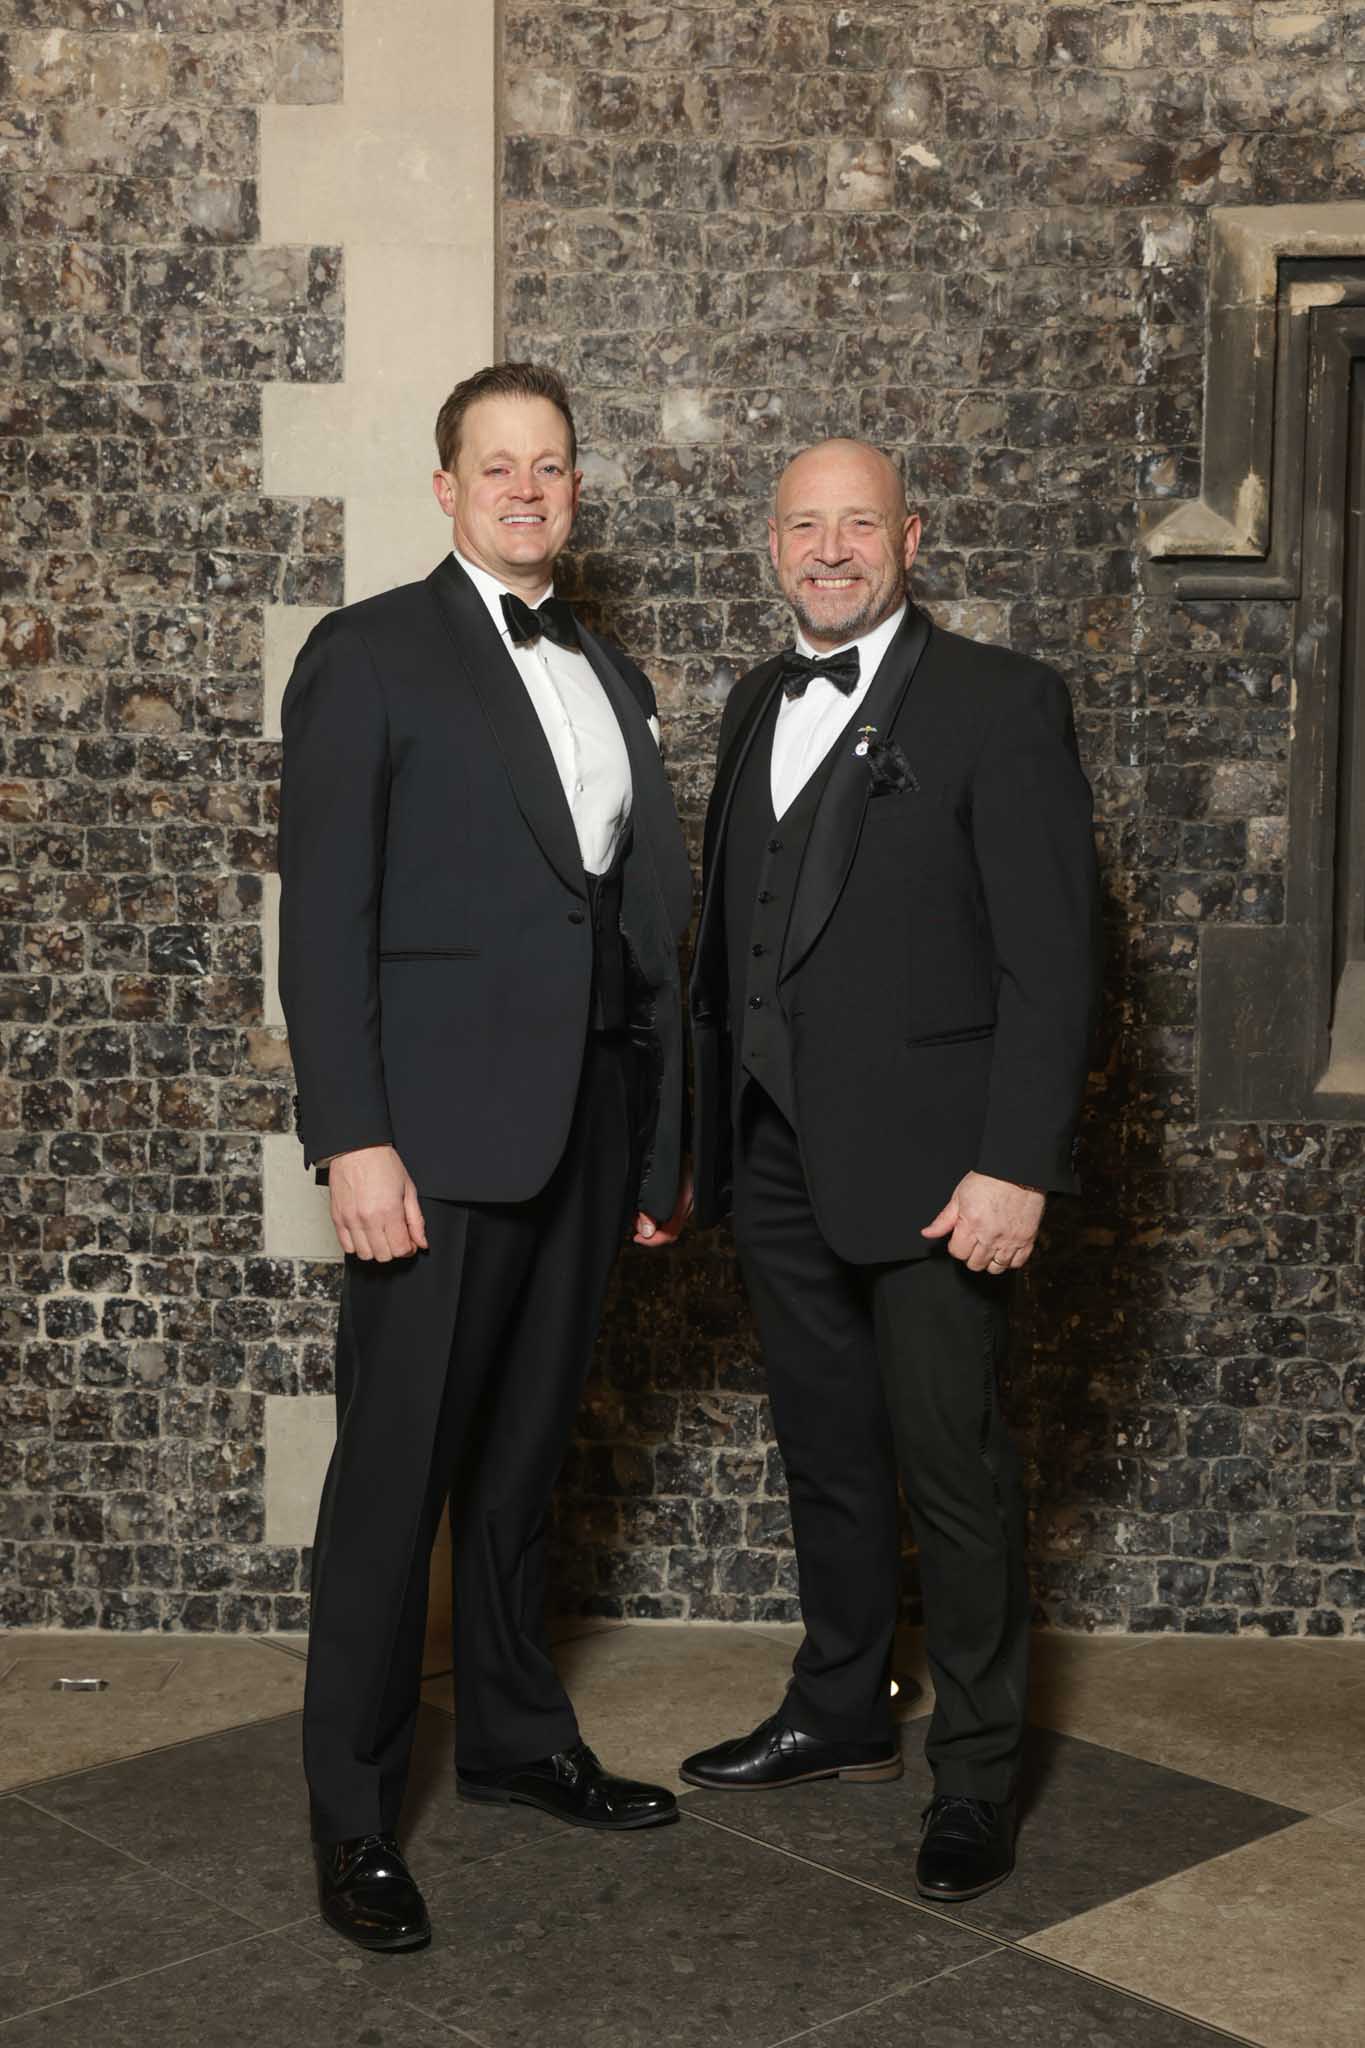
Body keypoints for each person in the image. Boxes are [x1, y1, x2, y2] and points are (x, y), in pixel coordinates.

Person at [278, 362, 694, 1952]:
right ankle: (352, 1819)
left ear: (575, 489)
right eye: (497, 465)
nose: (528, 489)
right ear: (446, 489)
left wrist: (656, 1142)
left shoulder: (608, 670)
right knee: (395, 1481)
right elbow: (324, 924)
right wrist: (353, 1139)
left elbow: (639, 928)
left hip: (586, 1129)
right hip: (432, 1142)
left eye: (552, 465)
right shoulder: (369, 652)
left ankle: (517, 1741)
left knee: (522, 1466)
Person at [682, 437, 1100, 1903]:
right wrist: (692, 1149)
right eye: (805, 525)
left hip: (940, 1176)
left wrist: (1014, 1167)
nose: (830, 549)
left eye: (858, 523)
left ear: (910, 538)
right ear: (771, 544)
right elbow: (727, 954)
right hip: (775, 1159)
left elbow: (1053, 965)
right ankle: (842, 1709)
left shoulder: (1001, 701)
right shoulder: (752, 700)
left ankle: (974, 1775)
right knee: (828, 1455)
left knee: (954, 1470)